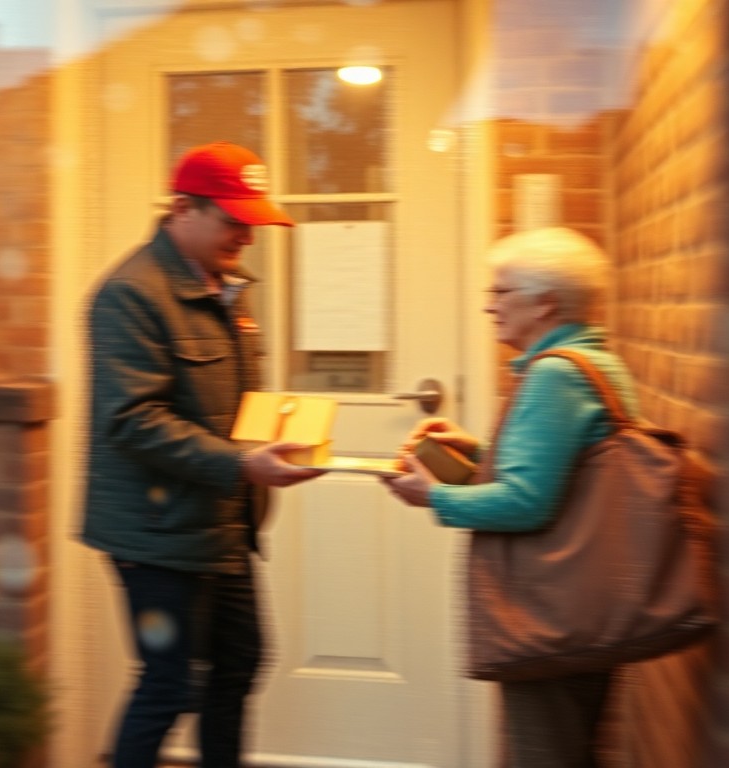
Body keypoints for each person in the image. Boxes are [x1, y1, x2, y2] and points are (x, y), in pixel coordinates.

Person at [82, 141, 325, 768]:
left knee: (240, 660)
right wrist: (240, 464)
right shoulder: (129, 295)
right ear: (183, 208)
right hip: (156, 533)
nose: (246, 235)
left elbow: (229, 403)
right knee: (168, 686)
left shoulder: (227, 289)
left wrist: (278, 436)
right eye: (233, 219)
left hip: (221, 525)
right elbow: (132, 421)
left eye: (253, 222)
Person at [385, 226, 638, 768]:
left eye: (500, 292)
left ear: (545, 303)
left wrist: (434, 497)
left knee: (545, 754)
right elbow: (563, 474)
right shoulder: (595, 362)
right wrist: (475, 454)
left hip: (550, 615)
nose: (487, 306)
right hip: (584, 602)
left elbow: (528, 502)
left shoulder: (554, 375)